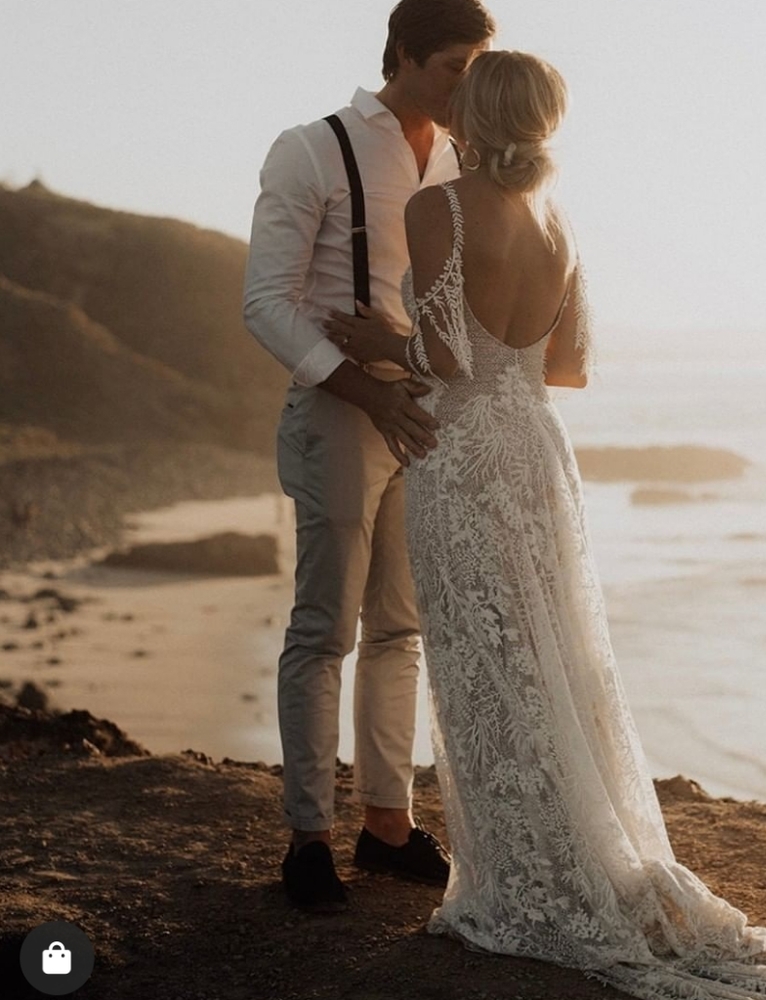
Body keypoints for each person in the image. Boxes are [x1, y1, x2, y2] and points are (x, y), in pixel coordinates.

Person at [325, 51, 766, 999]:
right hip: (538, 452)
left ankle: (517, 885)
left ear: (472, 118)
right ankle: (575, 855)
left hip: (467, 454)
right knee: (553, 655)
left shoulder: (435, 208)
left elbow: (443, 359)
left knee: (487, 664)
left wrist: (378, 342)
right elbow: (567, 370)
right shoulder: (559, 223)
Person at [242, 0, 496, 912]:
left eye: (479, 67)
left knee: (402, 629)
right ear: (403, 55)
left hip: (427, 417)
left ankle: (388, 824)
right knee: (324, 628)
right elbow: (267, 304)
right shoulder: (312, 148)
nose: (468, 86)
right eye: (454, 67)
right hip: (339, 414)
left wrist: (416, 375)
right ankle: (308, 837)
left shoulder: (468, 161)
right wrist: (370, 387)